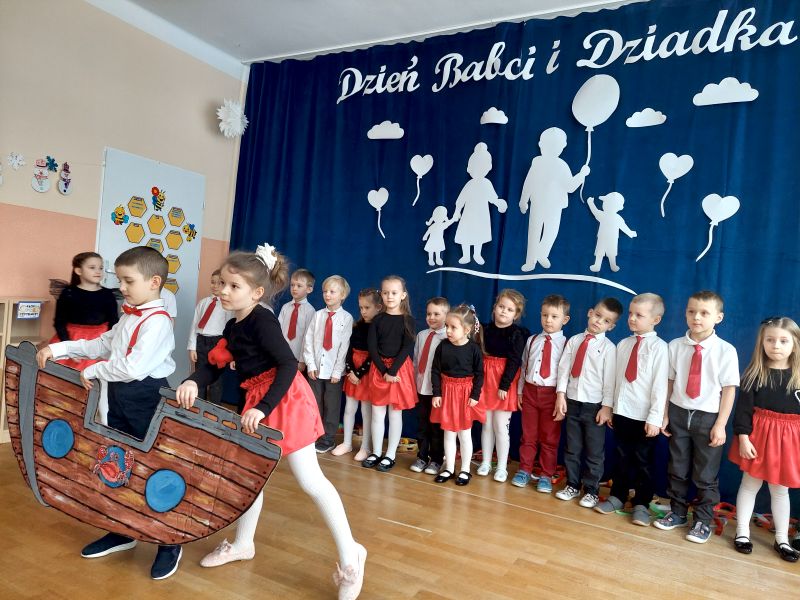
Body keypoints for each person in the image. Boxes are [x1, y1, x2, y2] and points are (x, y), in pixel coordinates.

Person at [175, 244, 366, 600]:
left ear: (257, 292)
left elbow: (288, 365)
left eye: (234, 286)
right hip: (258, 403)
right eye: (223, 284)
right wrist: (192, 381)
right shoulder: (233, 326)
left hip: (284, 401)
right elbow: (214, 365)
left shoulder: (262, 320)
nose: (224, 291)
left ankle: (351, 555)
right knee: (251, 478)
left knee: (311, 481)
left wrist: (263, 407)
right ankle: (243, 544)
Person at [37, 246, 180, 580]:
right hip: (119, 398)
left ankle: (169, 540)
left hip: (146, 398)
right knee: (118, 462)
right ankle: (122, 528)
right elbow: (102, 344)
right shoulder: (130, 315)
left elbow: (132, 367)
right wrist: (60, 348)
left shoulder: (158, 322)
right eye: (121, 280)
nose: (122, 287)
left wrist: (93, 370)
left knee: (153, 468)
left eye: (129, 281)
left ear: (154, 282)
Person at [653, 291, 739, 545]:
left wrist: (721, 424)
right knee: (677, 468)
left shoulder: (725, 350)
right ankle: (678, 512)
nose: (696, 317)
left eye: (704, 313)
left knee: (705, 474)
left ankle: (702, 520)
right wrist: (665, 414)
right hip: (679, 413)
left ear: (718, 317)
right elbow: (669, 382)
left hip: (708, 418)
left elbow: (729, 390)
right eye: (691, 311)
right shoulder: (675, 346)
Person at [729, 316, 800, 561]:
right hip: (758, 437)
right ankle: (742, 532)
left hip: (788, 441)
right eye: (770, 340)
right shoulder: (754, 374)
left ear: (795, 344)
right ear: (762, 342)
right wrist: (744, 438)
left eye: (783, 341)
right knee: (750, 485)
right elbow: (743, 411)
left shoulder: (798, 376)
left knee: (780, 490)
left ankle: (782, 539)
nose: (776, 345)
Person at [594, 294, 668, 526]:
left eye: (639, 315)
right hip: (623, 413)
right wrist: (611, 408)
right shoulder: (623, 345)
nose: (632, 319)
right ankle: (618, 496)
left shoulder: (660, 348)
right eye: (630, 314)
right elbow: (615, 379)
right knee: (621, 457)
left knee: (644, 462)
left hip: (645, 417)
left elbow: (660, 386)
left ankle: (641, 503)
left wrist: (655, 418)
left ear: (655, 319)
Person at [554, 297, 621, 508]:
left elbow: (610, 380)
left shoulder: (609, 349)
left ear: (611, 326)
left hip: (594, 407)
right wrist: (560, 395)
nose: (599, 321)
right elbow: (564, 370)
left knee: (594, 452)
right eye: (598, 315)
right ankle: (572, 485)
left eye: (606, 321)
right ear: (590, 313)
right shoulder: (574, 341)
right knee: (572, 448)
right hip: (572, 403)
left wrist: (607, 407)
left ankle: (591, 490)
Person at [512, 294, 570, 493]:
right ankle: (524, 470)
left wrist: (562, 398)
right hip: (530, 392)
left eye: (554, 316)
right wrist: (520, 391)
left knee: (549, 438)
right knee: (528, 435)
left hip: (552, 395)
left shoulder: (567, 344)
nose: (548, 320)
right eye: (545, 315)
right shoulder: (532, 340)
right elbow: (524, 366)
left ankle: (546, 474)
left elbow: (565, 374)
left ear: (565, 319)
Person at [362, 275, 417, 472]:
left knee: (395, 414)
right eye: (385, 293)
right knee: (377, 413)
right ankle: (376, 451)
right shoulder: (378, 319)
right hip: (379, 370)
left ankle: (390, 454)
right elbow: (372, 346)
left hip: (398, 371)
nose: (390, 296)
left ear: (403, 295)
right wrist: (383, 370)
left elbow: (407, 347)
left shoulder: (408, 320)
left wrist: (392, 371)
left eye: (394, 293)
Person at [519, 127, 589, 272]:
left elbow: (569, 187)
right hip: (538, 202)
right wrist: (523, 200)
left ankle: (541, 254)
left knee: (550, 232)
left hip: (554, 205)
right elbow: (529, 181)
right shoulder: (538, 162)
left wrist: (581, 175)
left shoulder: (561, 165)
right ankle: (531, 260)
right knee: (536, 231)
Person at [475, 289, 528, 483]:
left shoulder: (517, 334)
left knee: (500, 427)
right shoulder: (483, 329)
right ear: (494, 307)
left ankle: (502, 467)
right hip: (485, 380)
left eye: (510, 309)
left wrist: (504, 385)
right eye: (501, 306)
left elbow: (514, 361)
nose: (504, 311)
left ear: (516, 314)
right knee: (486, 425)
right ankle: (486, 462)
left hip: (503, 382)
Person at [430, 304, 484, 486]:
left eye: (453, 327)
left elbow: (479, 374)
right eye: (447, 326)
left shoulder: (474, 349)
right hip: (447, 393)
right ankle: (449, 468)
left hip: (465, 395)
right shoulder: (442, 346)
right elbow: (435, 371)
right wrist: (437, 393)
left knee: (464, 433)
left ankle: (465, 469)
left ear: (467, 330)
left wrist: (475, 395)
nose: (448, 330)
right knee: (449, 433)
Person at [304, 275, 354, 453]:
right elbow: (308, 341)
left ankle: (328, 438)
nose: (327, 295)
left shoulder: (346, 318)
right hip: (316, 370)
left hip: (333, 372)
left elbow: (344, 347)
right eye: (325, 291)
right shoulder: (318, 316)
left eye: (332, 292)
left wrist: (337, 371)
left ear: (342, 295)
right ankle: (313, 435)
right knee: (314, 403)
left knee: (331, 405)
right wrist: (311, 364)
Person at [333, 289, 382, 460]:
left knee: (366, 411)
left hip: (367, 373)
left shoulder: (378, 328)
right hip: (353, 371)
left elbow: (374, 355)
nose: (363, 311)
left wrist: (359, 374)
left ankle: (365, 447)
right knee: (349, 408)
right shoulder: (356, 326)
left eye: (367, 308)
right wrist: (350, 370)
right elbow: (348, 349)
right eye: (361, 308)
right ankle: (347, 443)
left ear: (378, 307)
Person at [50, 251, 119, 370]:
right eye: (92, 267)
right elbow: (59, 322)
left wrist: (109, 346)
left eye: (101, 268)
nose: (98, 271)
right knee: (64, 375)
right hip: (71, 338)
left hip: (98, 341)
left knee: (92, 376)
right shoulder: (68, 293)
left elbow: (114, 323)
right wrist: (68, 347)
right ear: (78, 271)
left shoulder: (108, 295)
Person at [409, 296, 449, 475]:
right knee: (423, 425)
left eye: (436, 314)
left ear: (446, 315)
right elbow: (416, 361)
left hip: (438, 391)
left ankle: (437, 459)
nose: (431, 317)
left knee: (436, 427)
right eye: (429, 314)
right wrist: (414, 384)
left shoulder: (448, 337)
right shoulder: (422, 335)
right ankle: (422, 457)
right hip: (422, 388)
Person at [452, 142, 507, 266]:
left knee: (479, 235)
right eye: (474, 167)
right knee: (466, 234)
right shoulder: (469, 184)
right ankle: (466, 255)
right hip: (468, 214)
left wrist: (498, 203)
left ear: (487, 168)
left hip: (481, 214)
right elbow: (461, 199)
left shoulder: (486, 183)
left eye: (481, 167)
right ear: (469, 168)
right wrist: (457, 211)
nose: (477, 170)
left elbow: (492, 198)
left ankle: (477, 254)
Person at [187, 268, 231, 404]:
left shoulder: (227, 305)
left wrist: (226, 348)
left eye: (220, 283)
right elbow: (194, 325)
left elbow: (230, 328)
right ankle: (199, 406)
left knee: (215, 380)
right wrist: (192, 347)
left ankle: (214, 408)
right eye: (213, 282)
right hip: (201, 341)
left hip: (218, 343)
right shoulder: (203, 303)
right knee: (199, 377)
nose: (215, 286)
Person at [587, 194, 637, 273]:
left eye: (605, 203)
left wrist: (630, 233)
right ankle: (597, 265)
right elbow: (595, 211)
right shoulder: (604, 215)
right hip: (602, 237)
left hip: (612, 238)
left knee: (611, 253)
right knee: (600, 251)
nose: (604, 205)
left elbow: (624, 227)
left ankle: (613, 265)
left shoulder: (616, 218)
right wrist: (590, 203)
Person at [277, 268, 316, 371]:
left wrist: (302, 360)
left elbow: (308, 337)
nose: (294, 288)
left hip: (297, 357)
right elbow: (278, 330)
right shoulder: (285, 307)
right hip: (281, 354)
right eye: (292, 285)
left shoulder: (310, 311)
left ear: (309, 289)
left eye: (299, 286)